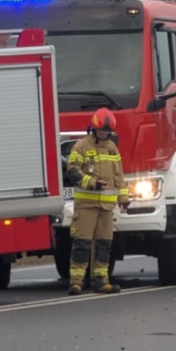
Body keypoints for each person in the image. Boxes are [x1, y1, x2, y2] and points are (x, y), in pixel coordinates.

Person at [64, 107, 129, 295]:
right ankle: (76, 282)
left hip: (106, 206)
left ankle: (101, 281)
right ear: (94, 128)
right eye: (102, 131)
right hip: (86, 205)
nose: (104, 134)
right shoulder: (81, 146)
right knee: (82, 243)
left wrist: (123, 198)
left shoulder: (112, 148)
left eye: (107, 132)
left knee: (104, 245)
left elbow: (119, 175)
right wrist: (91, 183)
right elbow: (73, 170)